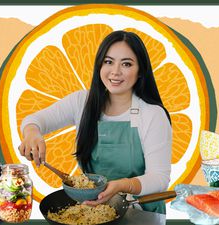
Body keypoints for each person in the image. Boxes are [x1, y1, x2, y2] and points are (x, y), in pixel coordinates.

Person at [19, 30, 172, 223]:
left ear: (141, 70)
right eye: (108, 62)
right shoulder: (82, 101)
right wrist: (32, 133)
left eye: (126, 64)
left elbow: (159, 179)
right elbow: (34, 120)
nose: (115, 71)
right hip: (94, 213)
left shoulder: (152, 114)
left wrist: (120, 186)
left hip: (142, 214)